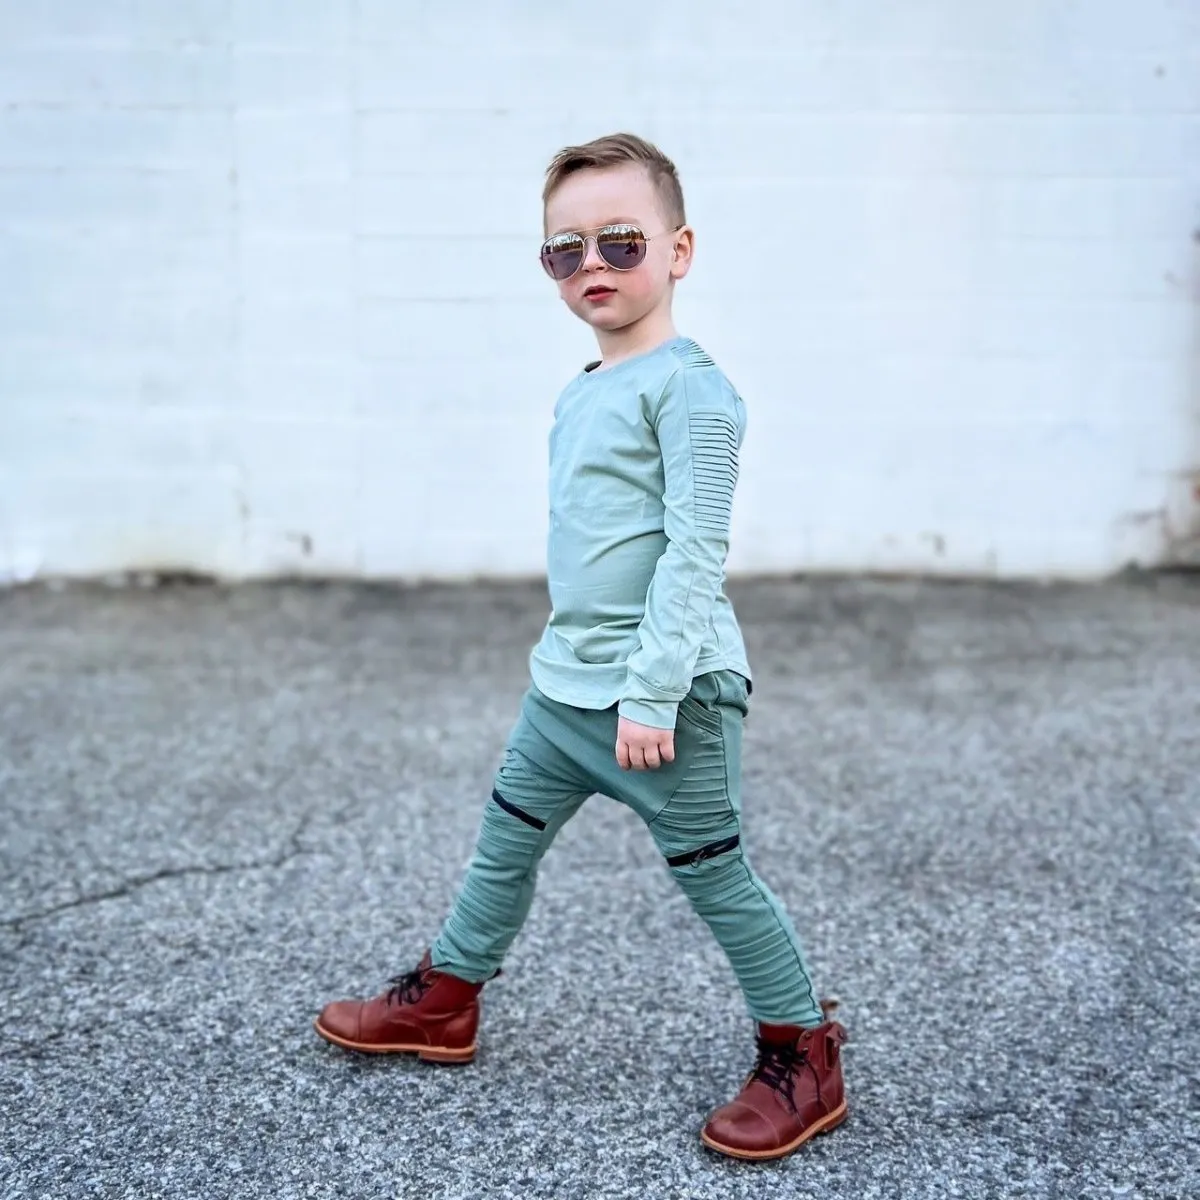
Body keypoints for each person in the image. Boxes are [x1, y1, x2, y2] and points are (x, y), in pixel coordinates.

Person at [314, 132, 848, 1162]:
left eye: (619, 241)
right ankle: (447, 1000)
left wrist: (652, 691)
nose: (592, 265)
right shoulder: (583, 385)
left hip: (667, 696)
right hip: (564, 691)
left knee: (715, 874)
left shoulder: (691, 390)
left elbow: (695, 551)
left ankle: (804, 1049)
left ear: (679, 251)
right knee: (504, 840)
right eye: (566, 251)